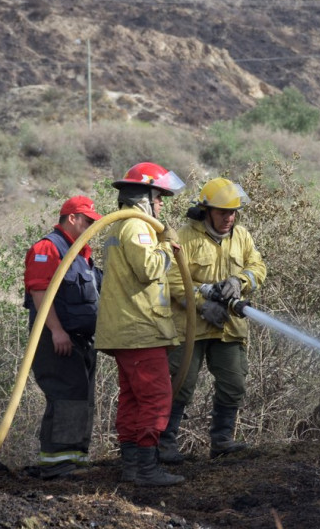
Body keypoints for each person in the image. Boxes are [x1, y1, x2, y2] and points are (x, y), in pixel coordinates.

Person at [95, 161, 187, 487]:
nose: (161, 204)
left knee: (133, 399)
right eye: (158, 197)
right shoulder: (136, 227)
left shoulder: (122, 227)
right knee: (156, 398)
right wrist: (166, 244)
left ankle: (132, 468)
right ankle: (146, 469)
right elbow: (149, 269)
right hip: (140, 331)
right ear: (144, 196)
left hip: (129, 330)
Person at [162, 177, 266, 462]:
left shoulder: (241, 236)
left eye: (233, 212)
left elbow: (258, 266)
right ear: (206, 210)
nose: (228, 218)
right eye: (223, 212)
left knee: (234, 382)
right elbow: (171, 280)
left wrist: (240, 280)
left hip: (229, 327)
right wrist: (201, 304)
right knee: (180, 383)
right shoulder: (184, 237)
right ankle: (165, 444)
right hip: (190, 326)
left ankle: (222, 441)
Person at [23, 195, 103, 479]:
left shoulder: (81, 253)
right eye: (88, 221)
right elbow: (40, 292)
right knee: (66, 395)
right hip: (55, 338)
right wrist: (57, 330)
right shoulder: (48, 248)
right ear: (72, 218)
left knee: (82, 398)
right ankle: (58, 464)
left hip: (81, 340)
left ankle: (75, 459)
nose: (92, 226)